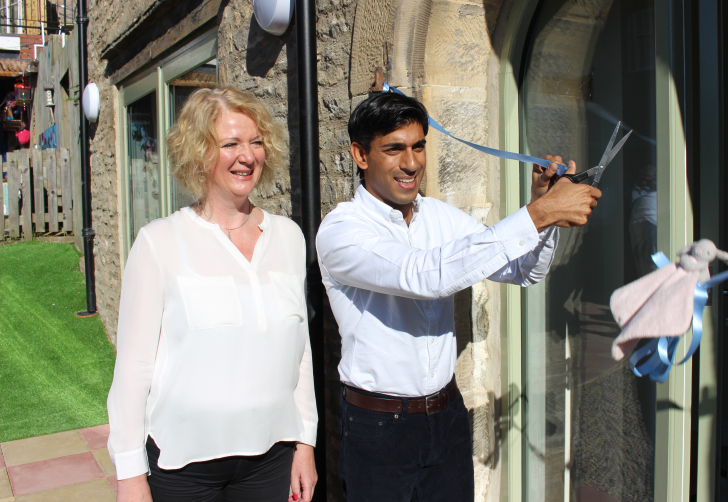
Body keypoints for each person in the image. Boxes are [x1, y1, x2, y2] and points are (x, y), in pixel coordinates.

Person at [316, 91, 602, 501]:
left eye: (418, 147)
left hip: (447, 416)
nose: (411, 163)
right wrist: (539, 214)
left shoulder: (439, 215)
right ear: (361, 155)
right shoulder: (342, 230)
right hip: (379, 429)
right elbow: (426, 275)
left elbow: (524, 270)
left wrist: (544, 211)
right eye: (394, 149)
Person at [107, 87, 317, 502]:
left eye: (256, 142)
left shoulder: (289, 237)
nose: (247, 156)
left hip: (272, 458)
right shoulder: (160, 242)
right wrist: (130, 476)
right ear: (200, 153)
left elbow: (300, 353)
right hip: (184, 467)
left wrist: (305, 444)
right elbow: (133, 370)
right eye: (230, 144)